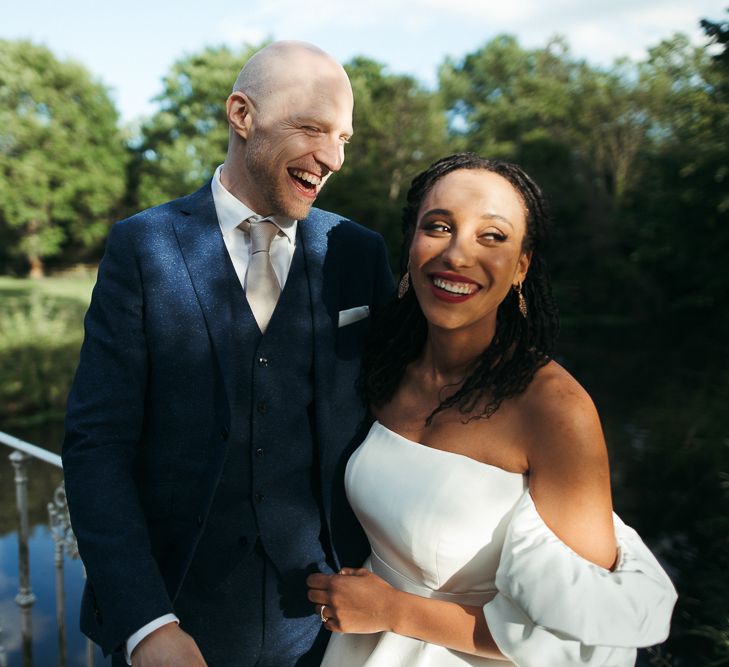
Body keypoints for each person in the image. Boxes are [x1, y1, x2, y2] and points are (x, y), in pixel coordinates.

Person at [62, 41, 393, 667]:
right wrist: (145, 625)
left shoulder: (357, 251)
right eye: (312, 128)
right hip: (178, 619)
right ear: (242, 116)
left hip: (330, 628)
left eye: (343, 137)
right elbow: (96, 445)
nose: (333, 157)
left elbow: (409, 407)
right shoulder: (142, 247)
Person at [307, 153, 677, 666]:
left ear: (522, 265)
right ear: (411, 243)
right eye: (439, 227)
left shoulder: (553, 409)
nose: (457, 255)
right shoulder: (385, 367)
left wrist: (396, 611)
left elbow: (578, 634)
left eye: (492, 236)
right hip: (359, 646)